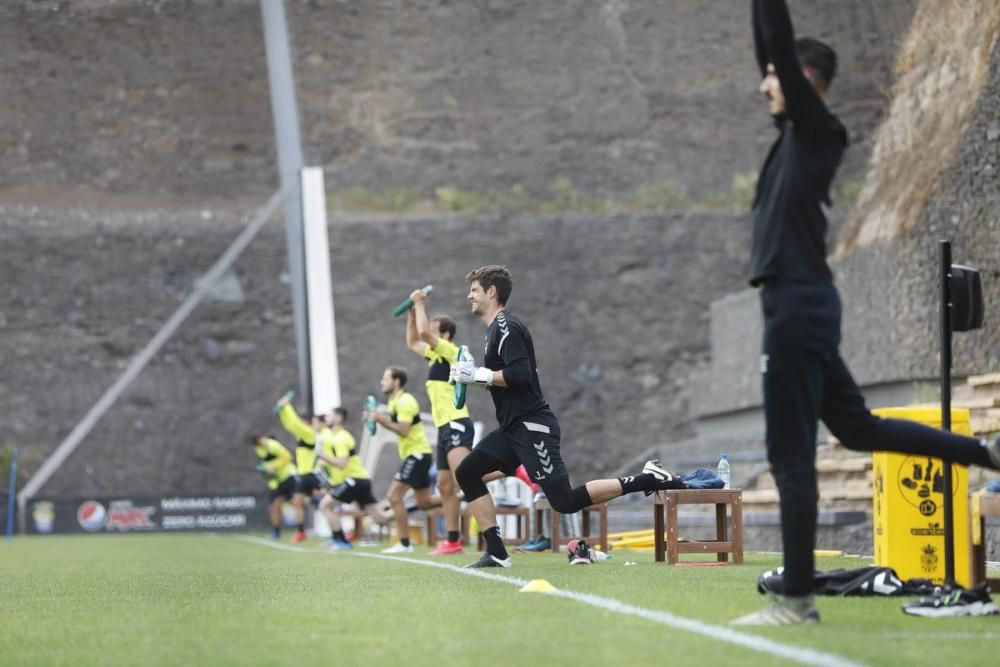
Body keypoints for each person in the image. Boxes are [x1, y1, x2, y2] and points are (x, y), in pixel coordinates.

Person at [733, 0, 1000, 625]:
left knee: (790, 458)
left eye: (774, 74)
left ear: (801, 81)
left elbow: (775, 38)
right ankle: (979, 452)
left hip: (796, 309)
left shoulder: (820, 130)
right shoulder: (794, 139)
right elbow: (766, 45)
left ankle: (796, 600)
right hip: (801, 306)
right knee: (859, 431)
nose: (763, 82)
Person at [450, 265, 686, 569]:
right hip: (512, 429)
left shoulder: (506, 325)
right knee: (467, 472)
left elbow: (521, 375)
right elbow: (508, 379)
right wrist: (473, 378)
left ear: (491, 292)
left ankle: (649, 478)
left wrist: (478, 374)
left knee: (564, 501)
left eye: (474, 290)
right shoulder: (492, 332)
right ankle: (496, 551)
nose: (468, 295)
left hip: (532, 427)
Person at [404, 289, 476, 555]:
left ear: (444, 334)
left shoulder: (450, 351)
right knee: (445, 486)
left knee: (464, 477)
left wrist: (421, 302)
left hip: (457, 422)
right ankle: (454, 541)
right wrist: (413, 314)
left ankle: (507, 470)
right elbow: (414, 340)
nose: (428, 330)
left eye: (433, 328)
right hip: (443, 428)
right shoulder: (434, 356)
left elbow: (424, 335)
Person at [363, 367, 442, 553]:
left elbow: (403, 430)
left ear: (396, 382)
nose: (382, 382)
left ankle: (404, 543)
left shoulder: (405, 401)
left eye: (385, 378)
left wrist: (380, 420)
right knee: (425, 503)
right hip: (416, 455)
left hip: (417, 454)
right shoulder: (393, 402)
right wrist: (372, 419)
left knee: (393, 496)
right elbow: (393, 424)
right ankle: (460, 496)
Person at [315, 407, 393, 550]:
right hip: (359, 479)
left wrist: (323, 455)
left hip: (355, 480)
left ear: (338, 418)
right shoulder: (335, 436)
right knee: (381, 517)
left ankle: (341, 541)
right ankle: (410, 508)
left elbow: (341, 463)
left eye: (329, 416)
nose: (325, 419)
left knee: (325, 506)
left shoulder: (341, 438)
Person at [275, 394, 333, 543]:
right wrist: (282, 411)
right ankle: (301, 532)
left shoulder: (308, 433)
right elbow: (290, 425)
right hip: (304, 475)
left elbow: (294, 423)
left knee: (328, 500)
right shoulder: (303, 434)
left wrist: (286, 406)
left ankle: (336, 532)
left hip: (312, 474)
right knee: (298, 502)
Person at [249, 434, 297, 540]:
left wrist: (274, 467)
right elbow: (265, 466)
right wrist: (264, 471)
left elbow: (288, 457)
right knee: (274, 507)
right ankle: (276, 531)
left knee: (296, 503)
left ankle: (301, 530)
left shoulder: (273, 445)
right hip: (276, 482)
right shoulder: (259, 450)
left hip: (288, 476)